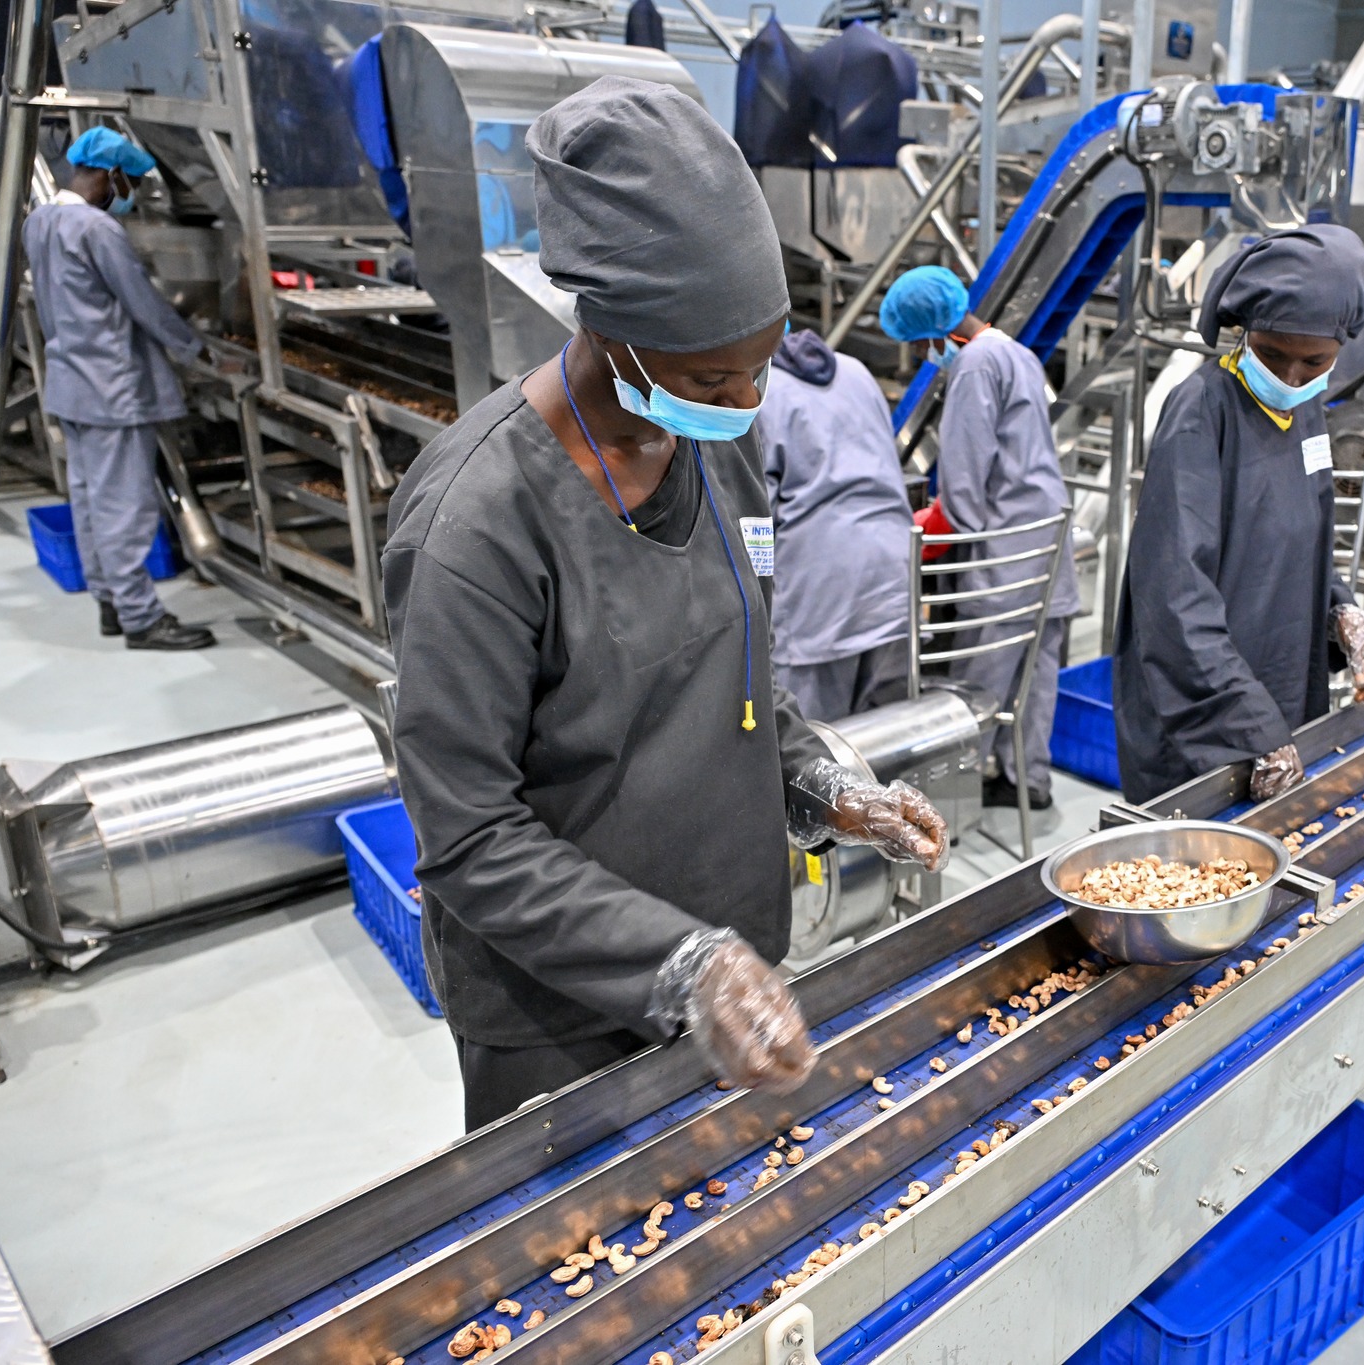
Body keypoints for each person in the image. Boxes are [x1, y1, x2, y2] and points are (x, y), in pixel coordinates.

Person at [382, 79, 947, 1131]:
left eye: (760, 368)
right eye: (716, 378)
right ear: (616, 336)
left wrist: (828, 789)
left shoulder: (711, 449)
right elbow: (468, 837)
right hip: (559, 1018)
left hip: (732, 975)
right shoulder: (475, 528)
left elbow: (738, 686)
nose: (747, 403)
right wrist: (678, 963)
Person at [1111, 225, 1364, 805]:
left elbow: (1302, 535)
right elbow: (1174, 592)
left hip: (1277, 687)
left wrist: (1340, 610)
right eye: (1273, 354)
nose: (1291, 377)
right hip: (1200, 711)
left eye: (1314, 361)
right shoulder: (1201, 412)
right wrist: (1247, 724)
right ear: (1246, 332)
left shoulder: (1306, 409)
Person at [879, 265, 1079, 811]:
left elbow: (964, 488)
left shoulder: (972, 366)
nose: (922, 356)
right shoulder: (1015, 351)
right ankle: (1028, 780)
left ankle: (957, 796)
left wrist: (917, 537)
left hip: (1006, 557)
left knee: (981, 680)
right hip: (1047, 542)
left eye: (918, 345)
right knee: (1036, 672)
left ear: (933, 333)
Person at [24, 128, 215, 649]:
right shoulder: (97, 228)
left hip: (71, 382)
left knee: (89, 500)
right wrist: (195, 348)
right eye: (129, 181)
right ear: (111, 175)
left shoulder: (39, 221)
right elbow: (141, 302)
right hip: (112, 388)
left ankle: (111, 602)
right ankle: (141, 619)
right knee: (125, 509)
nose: (130, 193)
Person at [759, 325, 913, 720]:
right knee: (890, 733)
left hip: (821, 588)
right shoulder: (856, 370)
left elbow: (757, 513)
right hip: (893, 575)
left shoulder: (761, 391)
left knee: (815, 738)